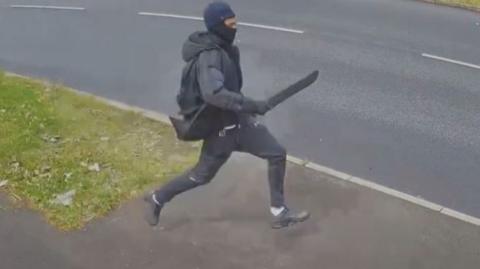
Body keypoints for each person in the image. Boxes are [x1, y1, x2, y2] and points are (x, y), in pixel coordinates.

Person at [144, 1, 309, 229]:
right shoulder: (209, 56)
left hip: (239, 123)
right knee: (201, 176)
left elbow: (231, 91)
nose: (235, 28)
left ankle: (279, 211)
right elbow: (214, 94)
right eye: (230, 24)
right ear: (217, 25)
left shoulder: (226, 49)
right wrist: (251, 105)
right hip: (220, 130)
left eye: (235, 23)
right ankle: (157, 198)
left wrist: (247, 112)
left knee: (277, 153)